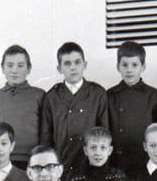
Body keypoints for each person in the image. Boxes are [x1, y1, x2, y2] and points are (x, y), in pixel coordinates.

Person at [40, 42, 108, 173]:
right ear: (59, 68)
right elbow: (45, 138)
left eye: (77, 62)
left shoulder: (97, 94)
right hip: (62, 164)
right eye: (67, 63)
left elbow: (105, 133)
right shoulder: (52, 97)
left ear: (85, 65)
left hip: (90, 165)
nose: (73, 67)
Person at [106, 41, 157, 175]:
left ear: (143, 67)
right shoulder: (109, 96)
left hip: (145, 161)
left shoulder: (154, 96)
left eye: (134, 65)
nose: (129, 70)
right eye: (124, 65)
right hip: (117, 162)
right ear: (118, 67)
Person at [0, 45, 44, 170]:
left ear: (28, 68)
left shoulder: (39, 95)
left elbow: (46, 131)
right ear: (2, 68)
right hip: (3, 161)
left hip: (32, 161)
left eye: (20, 65)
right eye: (9, 65)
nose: (14, 70)